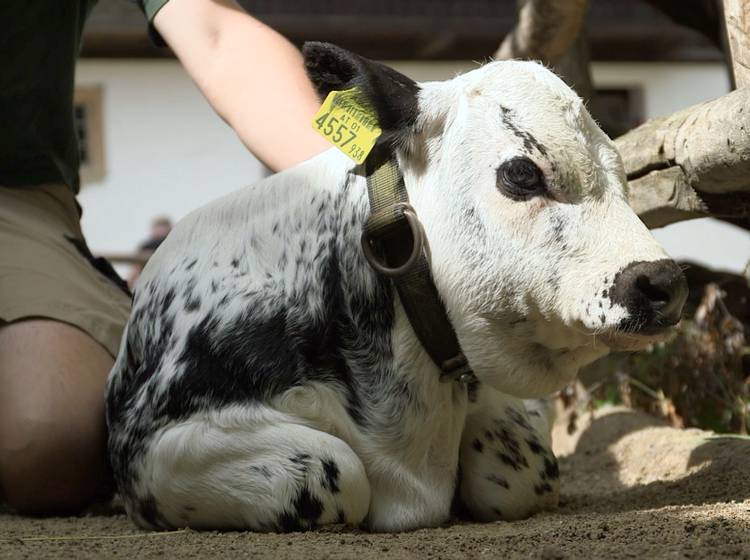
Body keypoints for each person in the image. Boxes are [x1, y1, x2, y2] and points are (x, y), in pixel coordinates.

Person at [0, 0, 328, 515]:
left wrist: (363, 184)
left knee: (48, 441)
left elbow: (215, 32)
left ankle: (117, 344)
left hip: (13, 200)